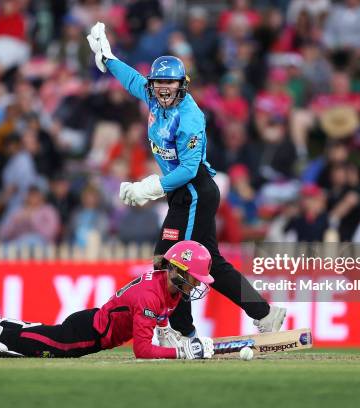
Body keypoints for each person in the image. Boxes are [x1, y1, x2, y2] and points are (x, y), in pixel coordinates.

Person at [86, 22, 285, 337]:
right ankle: (264, 313)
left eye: (170, 82)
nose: (163, 88)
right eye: (159, 82)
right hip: (184, 194)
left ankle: (181, 331)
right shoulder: (152, 97)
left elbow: (189, 170)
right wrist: (108, 59)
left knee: (170, 262)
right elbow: (133, 80)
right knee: (208, 265)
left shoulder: (190, 117)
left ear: (182, 85)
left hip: (194, 191)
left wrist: (148, 188)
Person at [0, 240, 215, 360]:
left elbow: (159, 325)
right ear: (178, 270)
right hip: (77, 338)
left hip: (86, 325)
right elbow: (142, 350)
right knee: (6, 347)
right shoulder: (153, 292)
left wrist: (181, 341)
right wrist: (181, 354)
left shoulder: (169, 288)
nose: (196, 284)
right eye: (194, 277)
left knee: (15, 330)